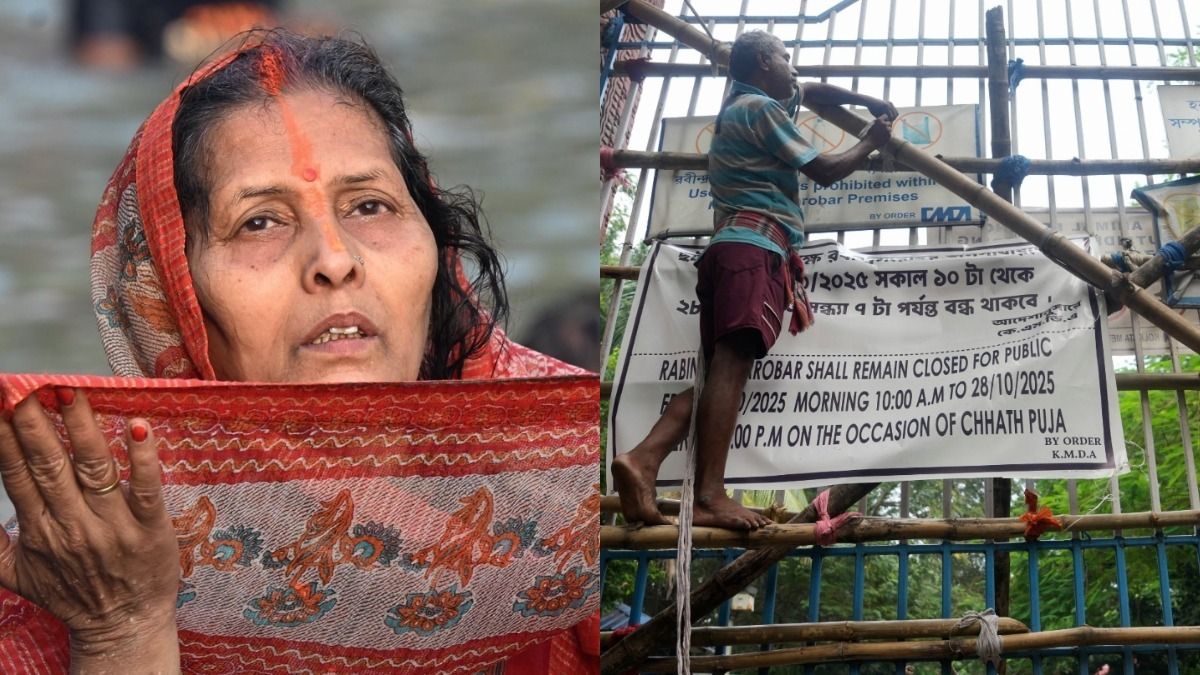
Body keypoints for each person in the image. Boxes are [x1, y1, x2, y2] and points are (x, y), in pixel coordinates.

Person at [0, 31, 597, 673]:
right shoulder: (81, 565)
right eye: (259, 221)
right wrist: (123, 629)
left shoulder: (565, 510)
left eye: (369, 205)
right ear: (171, 298)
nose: (335, 261)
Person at [612, 30, 897, 531]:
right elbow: (826, 170)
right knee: (730, 369)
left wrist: (862, 97)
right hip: (754, 249)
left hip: (731, 248)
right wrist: (870, 141)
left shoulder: (745, 103)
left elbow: (810, 91)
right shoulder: (759, 110)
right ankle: (709, 496)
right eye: (786, 58)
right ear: (765, 62)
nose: (793, 67)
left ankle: (644, 460)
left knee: (719, 373)